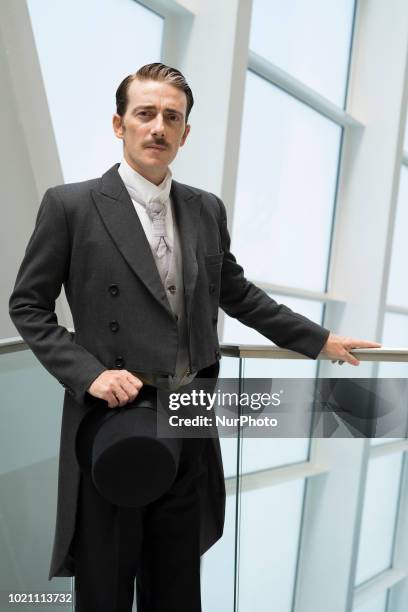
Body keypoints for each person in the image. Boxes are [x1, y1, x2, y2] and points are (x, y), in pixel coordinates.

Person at [8, 62, 381, 611]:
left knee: (177, 582)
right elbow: (27, 305)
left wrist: (319, 339)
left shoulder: (205, 208)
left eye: (171, 117)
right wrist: (91, 375)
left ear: (185, 133)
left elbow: (237, 292)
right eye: (145, 114)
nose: (158, 126)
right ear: (119, 125)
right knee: (107, 581)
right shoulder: (71, 205)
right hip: (118, 413)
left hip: (191, 413)